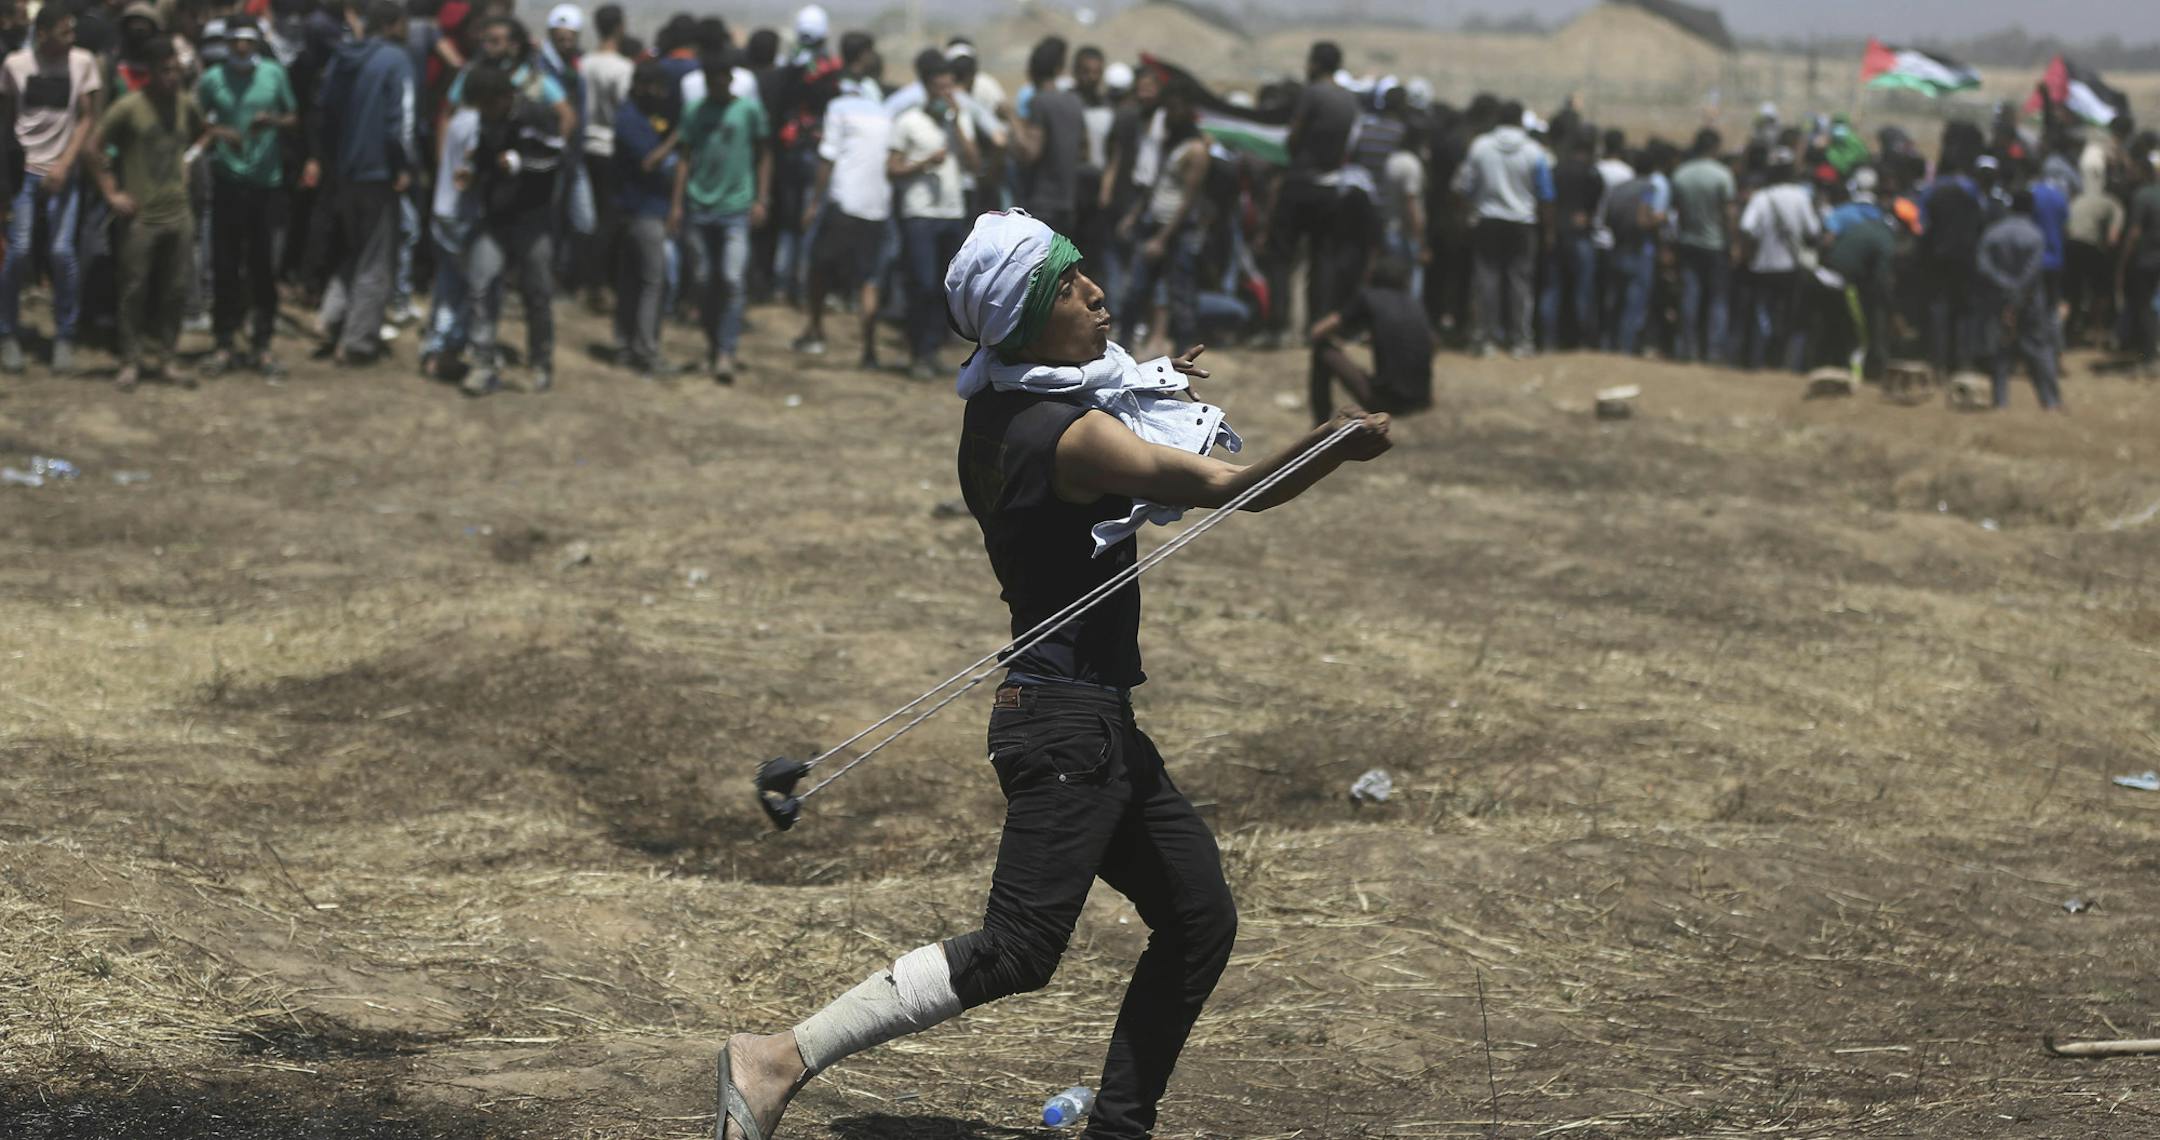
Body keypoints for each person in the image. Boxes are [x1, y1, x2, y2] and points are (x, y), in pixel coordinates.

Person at [699, 207, 1392, 1140]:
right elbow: (1233, 487)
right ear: (1027, 319)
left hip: (1081, 718)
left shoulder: (994, 413)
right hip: (1067, 727)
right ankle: (778, 1057)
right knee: (1021, 948)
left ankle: (1119, 1127)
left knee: (1198, 917)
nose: (1096, 292)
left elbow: (1091, 406)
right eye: (1069, 286)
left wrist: (1147, 381)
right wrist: (1331, 442)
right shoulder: (1073, 439)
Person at [88, 37, 203, 390]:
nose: (174, 78)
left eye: (178, 71)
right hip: (141, 217)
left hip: (179, 214)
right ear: (151, 73)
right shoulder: (129, 107)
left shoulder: (186, 105)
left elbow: (201, 135)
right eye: (166, 71)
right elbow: (93, 148)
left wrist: (187, 164)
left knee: (176, 290)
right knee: (133, 290)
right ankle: (130, 361)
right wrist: (112, 193)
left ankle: (167, 359)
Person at [0, 1, 103, 374]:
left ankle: (64, 334)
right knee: (20, 250)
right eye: (64, 31)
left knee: (62, 253)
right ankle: (7, 331)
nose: (71, 38)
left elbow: (87, 117)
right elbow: (8, 120)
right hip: (24, 171)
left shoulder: (83, 62)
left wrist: (65, 162)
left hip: (64, 170)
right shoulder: (15, 65)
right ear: (42, 33)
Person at [312, 0, 416, 367]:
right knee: (376, 258)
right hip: (377, 172)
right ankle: (356, 342)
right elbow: (399, 123)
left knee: (356, 251)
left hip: (344, 170)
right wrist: (403, 165)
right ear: (395, 24)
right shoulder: (396, 61)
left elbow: (324, 110)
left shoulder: (345, 57)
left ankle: (329, 318)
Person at [457, 62, 565, 396]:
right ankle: (483, 361)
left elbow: (555, 159)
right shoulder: (488, 120)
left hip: (533, 219)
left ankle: (540, 362)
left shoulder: (536, 116)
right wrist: (476, 171)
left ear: (505, 97)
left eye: (488, 105)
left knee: (537, 292)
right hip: (496, 216)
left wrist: (520, 162)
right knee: (481, 285)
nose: (485, 113)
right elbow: (490, 160)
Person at [196, 16, 296, 378]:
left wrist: (272, 121)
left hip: (265, 182)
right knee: (224, 264)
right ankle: (223, 342)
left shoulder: (273, 73)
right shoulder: (213, 78)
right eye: (236, 41)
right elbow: (197, 120)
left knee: (262, 266)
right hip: (227, 180)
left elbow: (293, 116)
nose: (242, 47)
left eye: (248, 41)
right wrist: (222, 131)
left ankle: (262, 344)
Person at [670, 48, 770, 383]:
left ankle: (726, 350)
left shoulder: (748, 111)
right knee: (701, 280)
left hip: (736, 210)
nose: (716, 85)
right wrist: (677, 204)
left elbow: (764, 153)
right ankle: (713, 343)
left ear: (730, 79)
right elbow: (684, 157)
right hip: (700, 207)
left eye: (721, 79)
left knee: (731, 279)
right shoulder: (695, 112)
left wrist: (761, 199)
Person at [792, 35, 887, 368]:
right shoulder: (883, 112)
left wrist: (814, 203)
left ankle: (816, 329)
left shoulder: (838, 108)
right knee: (867, 279)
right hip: (877, 207)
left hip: (844, 203)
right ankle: (869, 350)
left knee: (818, 266)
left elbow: (827, 158)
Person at [888, 49, 977, 379]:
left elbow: (975, 163)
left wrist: (958, 126)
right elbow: (892, 168)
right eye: (939, 88)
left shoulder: (959, 120)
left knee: (946, 288)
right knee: (922, 283)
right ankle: (918, 351)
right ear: (926, 87)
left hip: (952, 212)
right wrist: (923, 163)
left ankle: (933, 348)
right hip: (920, 214)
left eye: (949, 87)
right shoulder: (909, 122)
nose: (945, 94)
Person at [1267, 41, 1361, 343]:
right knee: (1322, 259)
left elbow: (1294, 135)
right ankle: (1315, 326)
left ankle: (1278, 327)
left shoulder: (1312, 93)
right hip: (1330, 187)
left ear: (1317, 64)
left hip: (1300, 183)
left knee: (1281, 255)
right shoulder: (1349, 100)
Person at [1454, 100, 1552, 358]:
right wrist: (1548, 230)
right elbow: (1545, 195)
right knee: (1519, 281)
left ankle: (1485, 338)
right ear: (1521, 120)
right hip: (1523, 223)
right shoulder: (1535, 152)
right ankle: (1520, 340)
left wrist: (1465, 217)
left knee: (1486, 279)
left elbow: (1464, 186)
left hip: (1487, 220)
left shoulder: (1480, 146)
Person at [1115, 88, 1208, 355]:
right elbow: (1155, 185)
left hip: (1177, 232)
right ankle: (1124, 347)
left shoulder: (1196, 150)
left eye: (1176, 108)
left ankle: (1184, 353)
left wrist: (1162, 239)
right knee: (1135, 291)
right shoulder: (1169, 143)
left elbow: (1188, 200)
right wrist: (1134, 216)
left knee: (1180, 296)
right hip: (1154, 225)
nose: (1169, 114)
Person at [611, 60, 680, 379]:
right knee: (653, 281)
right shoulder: (629, 119)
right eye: (657, 87)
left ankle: (627, 344)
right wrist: (678, 138)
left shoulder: (645, 117)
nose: (661, 94)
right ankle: (645, 350)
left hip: (640, 208)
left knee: (634, 281)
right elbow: (650, 162)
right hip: (641, 211)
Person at [1308, 254, 1433, 424]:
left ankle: (1320, 422)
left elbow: (1319, 331)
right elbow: (1431, 342)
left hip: (1389, 401)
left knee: (1322, 349)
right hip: (1422, 399)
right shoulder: (1413, 302)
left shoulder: (1368, 296)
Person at [1977, 189, 2061, 409]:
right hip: (2029, 301)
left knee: (2000, 350)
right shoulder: (2035, 235)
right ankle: (2050, 401)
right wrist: (2017, 290)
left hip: (1998, 299)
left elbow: (1983, 265)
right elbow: (2032, 273)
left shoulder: (1993, 232)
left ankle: (2000, 401)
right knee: (2038, 350)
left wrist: (2004, 284)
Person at [1737, 149, 1817, 372]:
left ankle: (1758, 361)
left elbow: (1746, 228)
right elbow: (1813, 230)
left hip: (1763, 266)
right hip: (1790, 267)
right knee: (1788, 316)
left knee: (1762, 315)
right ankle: (1782, 363)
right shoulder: (1801, 196)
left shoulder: (1761, 197)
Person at [576, 3, 631, 310]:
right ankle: (599, 283)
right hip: (610, 146)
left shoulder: (584, 63)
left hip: (586, 144)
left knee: (589, 216)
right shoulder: (622, 68)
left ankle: (585, 278)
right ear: (620, 27)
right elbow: (623, 110)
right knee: (608, 219)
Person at [1668, 128, 1735, 364]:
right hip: (1716, 244)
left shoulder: (1681, 174)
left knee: (1690, 296)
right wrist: (1732, 242)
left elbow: (1675, 213)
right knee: (1718, 299)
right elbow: (1728, 214)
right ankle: (1714, 351)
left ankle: (1688, 348)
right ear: (1715, 148)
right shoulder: (1722, 175)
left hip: (1688, 242)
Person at [1006, 36, 1083, 236]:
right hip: (1068, 200)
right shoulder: (1074, 101)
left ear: (1031, 73)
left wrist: (1011, 119)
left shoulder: (1039, 102)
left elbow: (1030, 153)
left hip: (1043, 202)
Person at [1538, 129, 1601, 350]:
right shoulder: (1592, 173)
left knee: (1552, 289)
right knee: (1582, 291)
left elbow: (1547, 200)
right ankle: (1581, 341)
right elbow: (1592, 208)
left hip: (1556, 233)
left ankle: (1548, 340)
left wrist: (1549, 231)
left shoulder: (1556, 170)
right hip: (1579, 236)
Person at [2063, 175, 2124, 348]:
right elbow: (2113, 238)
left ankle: (2068, 334)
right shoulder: (2115, 204)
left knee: (2072, 291)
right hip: (2089, 246)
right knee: (2101, 290)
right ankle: (2098, 332)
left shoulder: (2081, 198)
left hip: (2069, 244)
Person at [2120, 155, 2160, 376]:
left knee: (2143, 307)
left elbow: (2134, 233)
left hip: (2145, 260)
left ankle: (2149, 359)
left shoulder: (2142, 196)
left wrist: (2122, 263)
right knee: (2151, 306)